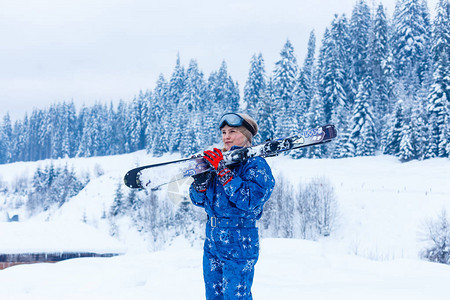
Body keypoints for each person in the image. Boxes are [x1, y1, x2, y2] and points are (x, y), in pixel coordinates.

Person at [189, 112, 275, 300]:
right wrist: (200, 183)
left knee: (236, 297)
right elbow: (199, 201)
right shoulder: (217, 161)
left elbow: (249, 201)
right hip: (212, 241)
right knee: (214, 296)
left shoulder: (256, 164)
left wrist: (223, 171)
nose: (226, 136)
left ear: (246, 135)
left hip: (239, 240)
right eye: (223, 132)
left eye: (232, 131)